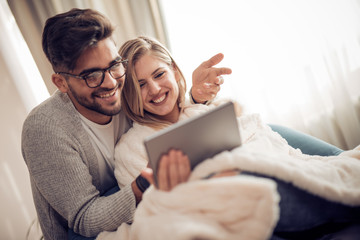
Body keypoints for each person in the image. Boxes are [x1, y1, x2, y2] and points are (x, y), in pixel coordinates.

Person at [109, 36, 360, 239]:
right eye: (140, 84)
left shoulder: (201, 110)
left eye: (159, 74)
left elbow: (256, 145)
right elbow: (148, 210)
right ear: (129, 92)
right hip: (215, 209)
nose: (153, 89)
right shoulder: (130, 148)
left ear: (174, 71)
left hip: (259, 179)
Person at [21, 8, 232, 240]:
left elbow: (157, 110)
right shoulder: (45, 129)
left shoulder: (121, 90)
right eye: (92, 76)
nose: (111, 83)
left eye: (114, 65)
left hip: (140, 206)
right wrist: (145, 181)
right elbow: (85, 218)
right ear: (61, 82)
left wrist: (195, 97)